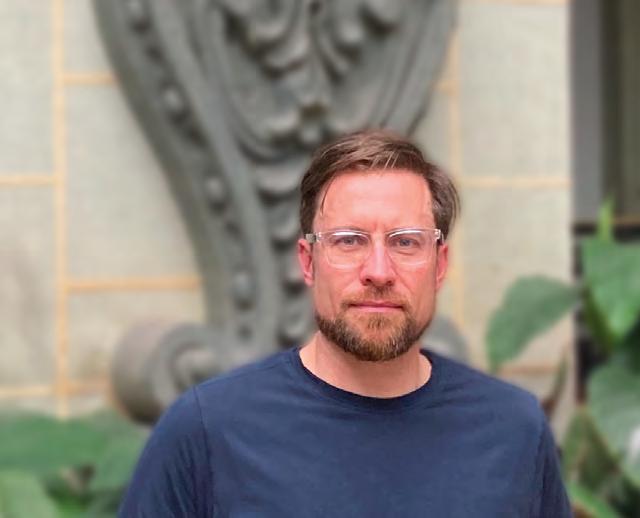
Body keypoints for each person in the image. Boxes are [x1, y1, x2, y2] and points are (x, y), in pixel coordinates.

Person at [119, 130, 571, 517]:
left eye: (405, 242)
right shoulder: (207, 431)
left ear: (439, 264)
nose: (378, 271)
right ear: (308, 261)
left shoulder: (513, 430)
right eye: (349, 241)